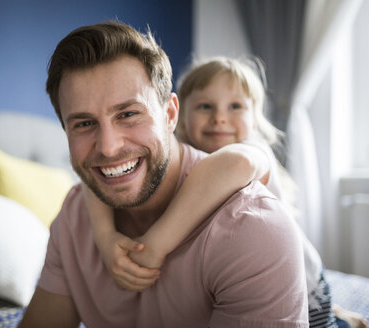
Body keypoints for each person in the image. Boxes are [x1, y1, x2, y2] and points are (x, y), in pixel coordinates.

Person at [19, 21, 308, 327]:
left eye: (128, 114)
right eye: (84, 123)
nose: (108, 147)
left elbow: (238, 164)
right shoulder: (76, 215)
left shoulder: (250, 226)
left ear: (170, 114)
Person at [87, 55, 366, 328]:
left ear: (255, 119)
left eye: (235, 107)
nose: (220, 118)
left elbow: (234, 164)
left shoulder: (254, 150)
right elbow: (97, 180)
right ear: (178, 116)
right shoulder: (174, 154)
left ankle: (340, 320)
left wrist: (154, 247)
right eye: (205, 106)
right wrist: (105, 237)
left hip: (299, 287)